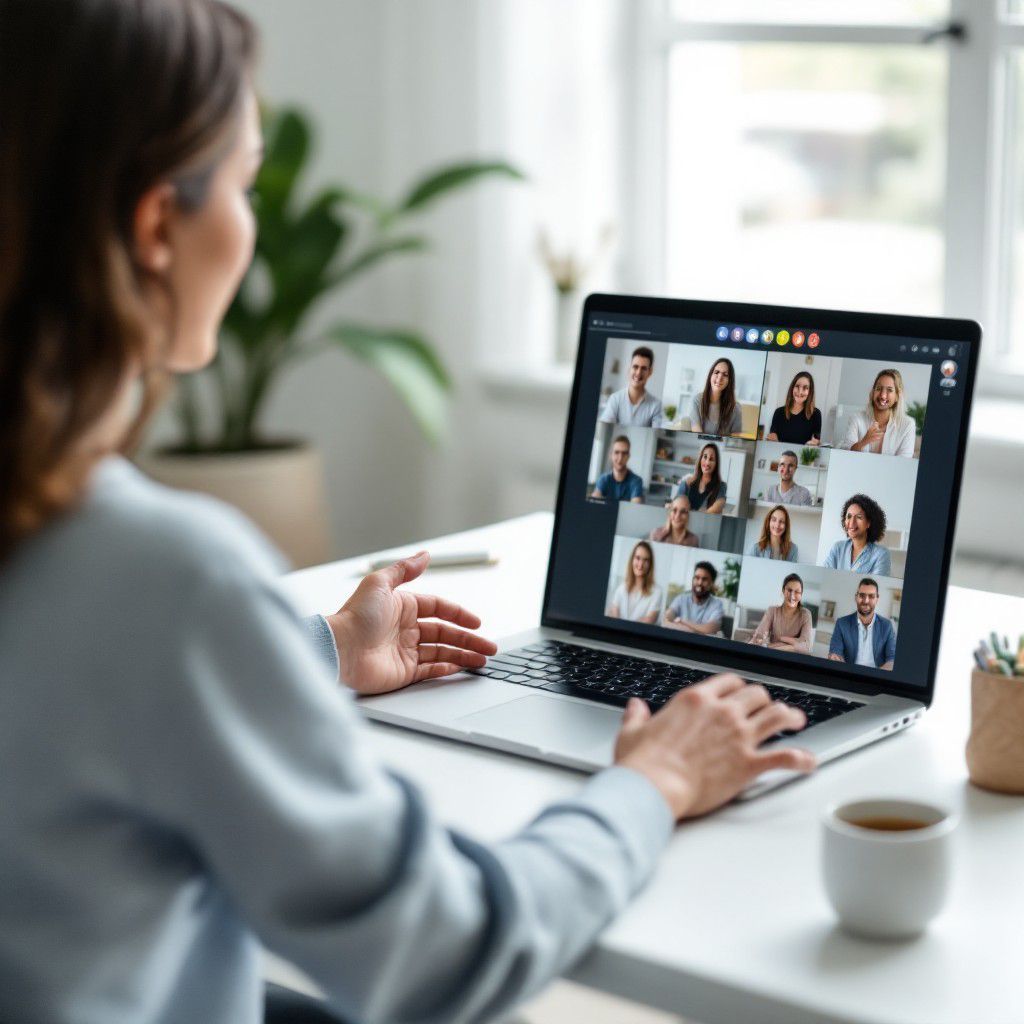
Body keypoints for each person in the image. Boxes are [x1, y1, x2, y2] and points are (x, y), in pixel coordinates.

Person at [0, 4, 816, 1022]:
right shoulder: (167, 573)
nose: (251, 225)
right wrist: (653, 784)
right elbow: (446, 954)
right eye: (247, 184)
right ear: (160, 224)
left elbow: (81, 683)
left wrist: (323, 649)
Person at [839, 368, 916, 457]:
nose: (883, 395)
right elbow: (844, 454)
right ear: (872, 392)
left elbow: (904, 463)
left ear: (897, 396)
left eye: (889, 390)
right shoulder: (856, 419)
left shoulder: (907, 425)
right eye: (878, 388)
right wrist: (864, 442)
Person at [828, 578, 896, 670]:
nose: (866, 601)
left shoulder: (887, 625)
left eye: (871, 596)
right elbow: (835, 652)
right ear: (856, 597)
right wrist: (834, 657)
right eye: (862, 595)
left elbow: (892, 659)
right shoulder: (842, 623)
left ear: (877, 599)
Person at [821, 494, 892, 575]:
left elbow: (876, 586)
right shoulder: (838, 548)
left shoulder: (881, 555)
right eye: (849, 516)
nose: (852, 522)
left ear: (869, 523)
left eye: (859, 517)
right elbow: (825, 577)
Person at [600, 345, 665, 427]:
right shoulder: (615, 399)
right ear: (629, 369)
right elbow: (604, 426)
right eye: (635, 367)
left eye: (644, 368)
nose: (638, 373)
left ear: (650, 372)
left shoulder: (656, 405)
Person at [748, 573, 813, 654]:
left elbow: (805, 647)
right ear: (783, 590)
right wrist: (792, 644)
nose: (792, 596)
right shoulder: (772, 610)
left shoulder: (806, 614)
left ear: (801, 594)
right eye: (789, 590)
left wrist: (776, 641)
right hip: (773, 656)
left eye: (797, 592)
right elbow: (759, 636)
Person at [607, 541, 664, 624]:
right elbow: (613, 617)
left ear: (650, 564)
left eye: (646, 560)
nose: (640, 564)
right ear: (632, 560)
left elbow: (650, 620)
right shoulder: (621, 588)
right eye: (637, 558)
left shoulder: (657, 592)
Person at [663, 562, 725, 635]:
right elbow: (666, 620)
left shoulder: (717, 604)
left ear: (711, 583)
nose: (699, 583)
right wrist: (695, 631)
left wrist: (681, 621)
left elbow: (710, 630)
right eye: (697, 578)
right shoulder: (681, 599)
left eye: (704, 579)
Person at [688, 357, 744, 436]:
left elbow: (736, 438)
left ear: (729, 381)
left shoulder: (736, 408)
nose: (720, 377)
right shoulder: (697, 400)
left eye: (725, 375)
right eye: (716, 372)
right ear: (710, 375)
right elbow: (697, 433)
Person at [766, 370, 822, 445]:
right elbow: (772, 438)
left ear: (810, 392)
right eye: (797, 386)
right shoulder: (779, 412)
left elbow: (816, 440)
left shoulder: (815, 414)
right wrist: (772, 439)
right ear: (792, 388)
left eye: (805, 388)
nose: (800, 392)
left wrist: (814, 443)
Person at [673, 441, 727, 513]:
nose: (707, 462)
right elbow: (676, 505)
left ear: (716, 464)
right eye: (705, 457)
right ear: (700, 459)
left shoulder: (721, 486)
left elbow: (718, 507)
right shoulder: (687, 482)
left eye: (711, 459)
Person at [592, 434, 645, 502]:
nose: (620, 459)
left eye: (624, 453)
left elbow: (634, 509)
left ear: (628, 456)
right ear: (611, 455)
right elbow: (594, 501)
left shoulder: (636, 481)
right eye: (616, 452)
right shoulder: (603, 479)